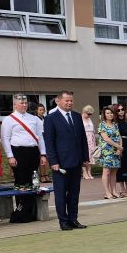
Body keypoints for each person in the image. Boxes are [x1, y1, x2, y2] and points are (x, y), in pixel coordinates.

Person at [43, 90, 90, 229]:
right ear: (59, 101)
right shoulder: (51, 118)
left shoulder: (76, 116)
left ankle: (73, 218)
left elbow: (82, 139)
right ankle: (63, 221)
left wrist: (85, 157)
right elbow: (49, 142)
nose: (69, 103)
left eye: (71, 101)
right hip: (61, 163)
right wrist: (53, 161)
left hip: (76, 161)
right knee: (61, 193)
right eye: (66, 101)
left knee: (74, 193)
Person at [1, 94, 46, 223]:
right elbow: (5, 139)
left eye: (25, 102)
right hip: (18, 152)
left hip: (32, 152)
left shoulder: (34, 119)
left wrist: (43, 154)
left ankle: (32, 211)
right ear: (15, 104)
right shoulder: (9, 119)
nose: (24, 105)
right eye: (21, 103)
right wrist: (10, 156)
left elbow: (40, 137)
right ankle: (21, 212)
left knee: (33, 182)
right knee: (21, 182)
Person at [97, 105, 123, 200]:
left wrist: (120, 149)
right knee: (107, 171)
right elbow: (106, 139)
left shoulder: (115, 125)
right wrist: (118, 146)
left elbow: (119, 137)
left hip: (116, 151)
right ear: (104, 115)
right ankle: (107, 192)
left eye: (111, 113)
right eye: (108, 113)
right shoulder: (102, 125)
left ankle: (114, 191)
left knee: (114, 172)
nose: (110, 114)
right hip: (107, 151)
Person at [80, 105, 97, 180]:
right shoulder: (80, 119)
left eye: (91, 114)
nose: (89, 115)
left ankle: (89, 172)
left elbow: (93, 130)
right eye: (88, 114)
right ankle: (84, 172)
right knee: (84, 155)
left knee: (90, 156)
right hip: (84, 138)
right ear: (84, 112)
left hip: (91, 138)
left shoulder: (89, 119)